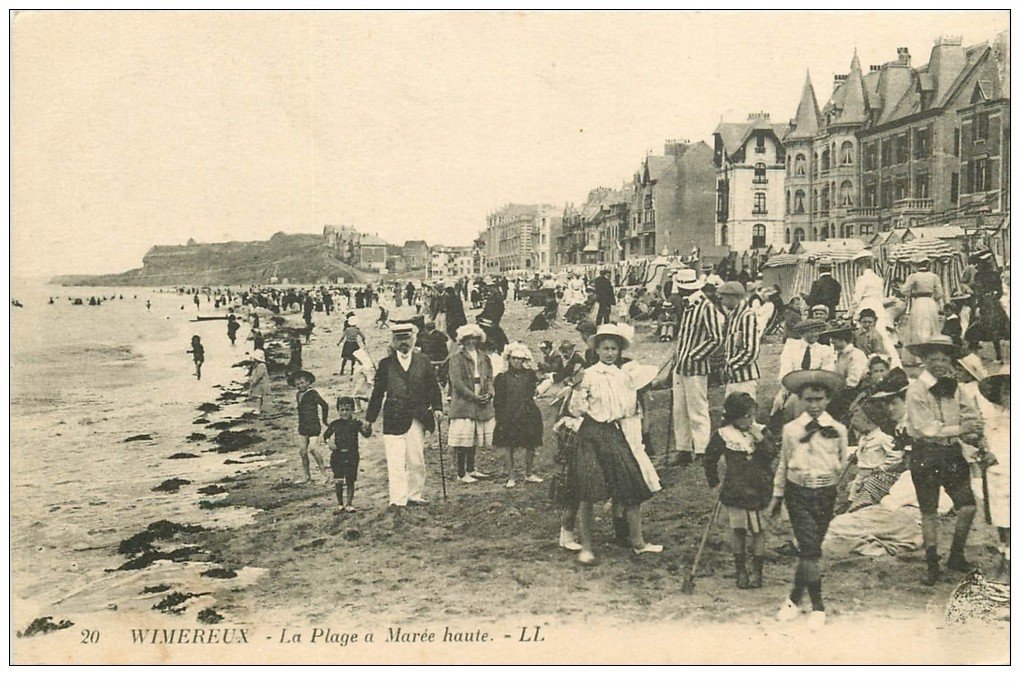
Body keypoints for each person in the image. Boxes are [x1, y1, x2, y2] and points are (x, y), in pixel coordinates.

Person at [568, 323, 661, 564]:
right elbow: (576, 410)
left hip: (614, 431)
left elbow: (628, 407)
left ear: (619, 351)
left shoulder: (623, 375)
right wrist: (578, 392)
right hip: (591, 433)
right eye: (605, 348)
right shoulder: (588, 375)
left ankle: (638, 542)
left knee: (631, 485)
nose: (610, 353)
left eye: (614, 349)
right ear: (597, 350)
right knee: (588, 491)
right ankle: (587, 547)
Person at [904, 335, 985, 585]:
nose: (939, 363)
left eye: (944, 358)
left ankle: (956, 555)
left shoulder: (956, 387)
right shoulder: (915, 390)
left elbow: (971, 415)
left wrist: (973, 431)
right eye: (933, 358)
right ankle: (932, 563)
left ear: (951, 361)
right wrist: (961, 428)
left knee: (968, 506)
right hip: (925, 453)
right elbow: (927, 428)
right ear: (924, 360)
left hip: (951, 454)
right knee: (929, 511)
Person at [772, 369, 848, 628]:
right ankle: (818, 606)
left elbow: (842, 464)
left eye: (819, 399)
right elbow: (783, 463)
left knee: (810, 551)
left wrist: (831, 489)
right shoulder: (791, 430)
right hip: (798, 494)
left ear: (827, 400)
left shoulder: (838, 430)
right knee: (810, 549)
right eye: (808, 400)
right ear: (800, 400)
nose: (814, 405)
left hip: (825, 495)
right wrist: (777, 496)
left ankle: (794, 598)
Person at [365, 323, 444, 508]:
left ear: (413, 339)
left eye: (407, 338)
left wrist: (438, 407)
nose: (403, 343)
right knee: (395, 461)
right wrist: (369, 419)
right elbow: (377, 393)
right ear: (393, 342)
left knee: (416, 460)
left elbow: (433, 387)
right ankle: (397, 500)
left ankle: (414, 495)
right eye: (399, 339)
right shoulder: (385, 365)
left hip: (418, 416)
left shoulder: (423, 360)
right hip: (393, 417)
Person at [704, 392, 774, 589]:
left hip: (759, 488)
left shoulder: (761, 431)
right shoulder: (724, 435)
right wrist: (715, 483)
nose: (750, 420)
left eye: (753, 415)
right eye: (745, 417)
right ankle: (740, 570)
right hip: (736, 489)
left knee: (759, 530)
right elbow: (709, 459)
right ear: (734, 416)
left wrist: (759, 438)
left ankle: (757, 571)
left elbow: (770, 454)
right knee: (739, 530)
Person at [658, 268, 722, 466]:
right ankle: (684, 449)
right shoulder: (687, 307)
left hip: (696, 368)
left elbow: (716, 338)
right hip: (680, 366)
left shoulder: (705, 307)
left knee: (697, 409)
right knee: (679, 409)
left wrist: (695, 356)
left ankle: (702, 450)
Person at [447, 324, 495, 484]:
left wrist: (489, 393)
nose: (471, 342)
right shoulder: (456, 358)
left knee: (474, 435)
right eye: (467, 339)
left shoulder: (483, 357)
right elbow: (457, 383)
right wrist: (473, 396)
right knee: (464, 437)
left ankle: (471, 468)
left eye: (474, 339)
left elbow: (489, 377)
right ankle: (461, 473)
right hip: (464, 401)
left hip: (480, 395)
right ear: (462, 341)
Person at [493, 342, 544, 487]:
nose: (516, 361)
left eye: (520, 359)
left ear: (524, 360)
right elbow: (499, 400)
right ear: (508, 359)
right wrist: (500, 416)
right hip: (508, 415)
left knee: (531, 444)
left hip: (528, 413)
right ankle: (511, 476)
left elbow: (532, 392)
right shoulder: (502, 378)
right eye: (514, 358)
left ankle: (529, 473)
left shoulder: (530, 375)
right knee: (508, 445)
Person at [977, 365, 1009, 578]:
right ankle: (1004, 551)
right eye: (1005, 391)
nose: (1009, 396)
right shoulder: (996, 420)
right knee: (999, 518)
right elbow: (989, 444)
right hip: (997, 477)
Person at [845, 398, 904, 512]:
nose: (856, 427)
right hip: (861, 474)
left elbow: (896, 456)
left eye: (858, 422)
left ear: (869, 422)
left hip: (874, 476)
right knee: (852, 499)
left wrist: (880, 468)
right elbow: (865, 455)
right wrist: (856, 456)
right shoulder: (864, 439)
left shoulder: (882, 438)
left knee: (865, 501)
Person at [323, 397, 372, 514]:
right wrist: (329, 442)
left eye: (347, 409)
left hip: (352, 455)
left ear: (352, 410)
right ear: (338, 410)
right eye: (342, 410)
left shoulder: (356, 423)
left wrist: (368, 427)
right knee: (338, 480)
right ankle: (340, 504)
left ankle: (349, 504)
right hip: (337, 456)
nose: (344, 412)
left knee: (350, 480)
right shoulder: (335, 424)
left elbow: (366, 434)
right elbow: (326, 435)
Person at [718, 281, 761, 400]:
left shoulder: (747, 316)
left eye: (723, 297)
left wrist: (731, 365)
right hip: (733, 379)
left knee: (744, 415)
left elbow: (752, 350)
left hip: (745, 379)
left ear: (733, 297)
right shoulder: (733, 316)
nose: (721, 300)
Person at [291, 369, 330, 485]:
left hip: (313, 425)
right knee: (302, 451)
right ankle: (306, 476)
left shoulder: (313, 393)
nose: (300, 385)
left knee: (313, 448)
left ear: (308, 382)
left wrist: (324, 420)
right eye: (297, 384)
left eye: (302, 383)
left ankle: (324, 474)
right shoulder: (298, 395)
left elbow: (325, 405)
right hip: (303, 425)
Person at [900, 257, 943, 354]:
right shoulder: (934, 276)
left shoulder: (913, 276)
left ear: (916, 265)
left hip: (919, 303)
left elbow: (904, 290)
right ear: (927, 264)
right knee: (932, 327)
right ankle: (931, 352)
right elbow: (940, 293)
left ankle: (918, 355)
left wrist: (912, 294)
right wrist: (933, 298)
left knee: (918, 327)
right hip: (930, 303)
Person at [248, 349, 271, 415]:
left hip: (261, 383)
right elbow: (255, 374)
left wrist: (254, 381)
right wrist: (251, 379)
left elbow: (259, 375)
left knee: (258, 396)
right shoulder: (257, 365)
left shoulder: (261, 365)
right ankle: (259, 408)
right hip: (259, 383)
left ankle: (258, 410)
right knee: (259, 396)